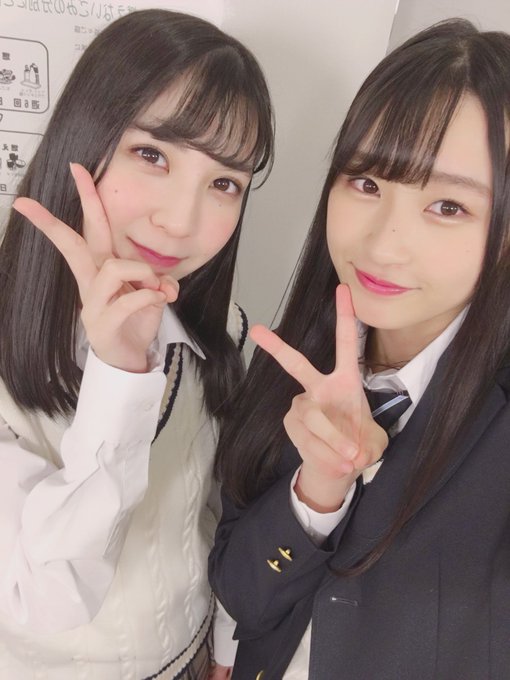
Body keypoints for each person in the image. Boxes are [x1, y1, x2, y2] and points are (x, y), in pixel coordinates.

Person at [209, 18, 510, 680]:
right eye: (368, 183)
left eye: (449, 207)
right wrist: (318, 491)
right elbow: (243, 597)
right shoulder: (289, 362)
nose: (382, 243)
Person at [0, 9, 273, 680]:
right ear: (84, 134)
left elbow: (225, 509)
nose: (181, 221)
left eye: (224, 183)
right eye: (153, 154)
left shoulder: (225, 330)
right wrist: (120, 375)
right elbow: (45, 596)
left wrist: (227, 645)